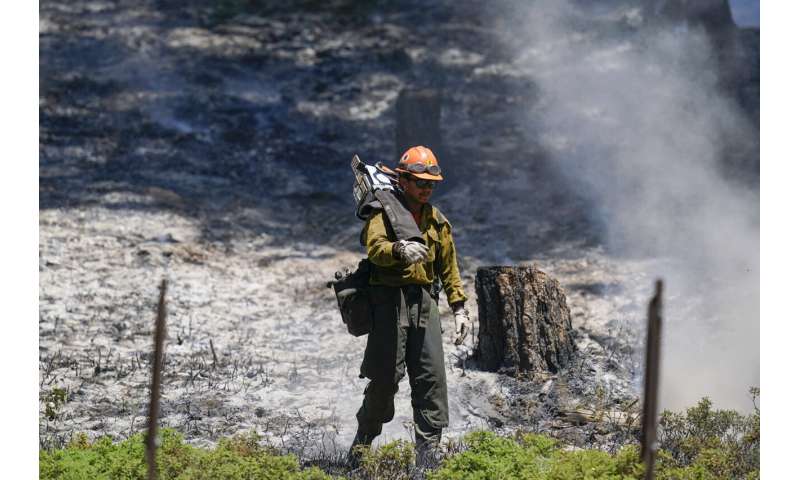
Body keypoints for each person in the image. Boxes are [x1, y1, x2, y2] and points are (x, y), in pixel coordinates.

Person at [348, 145, 470, 467]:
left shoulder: (437, 221)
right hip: (390, 303)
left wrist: (459, 308)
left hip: (425, 304)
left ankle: (427, 458)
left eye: (431, 183)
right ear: (403, 180)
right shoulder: (384, 211)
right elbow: (375, 248)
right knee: (385, 378)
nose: (426, 188)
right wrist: (399, 249)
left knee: (431, 379)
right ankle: (362, 446)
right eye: (420, 182)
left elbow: (449, 267)